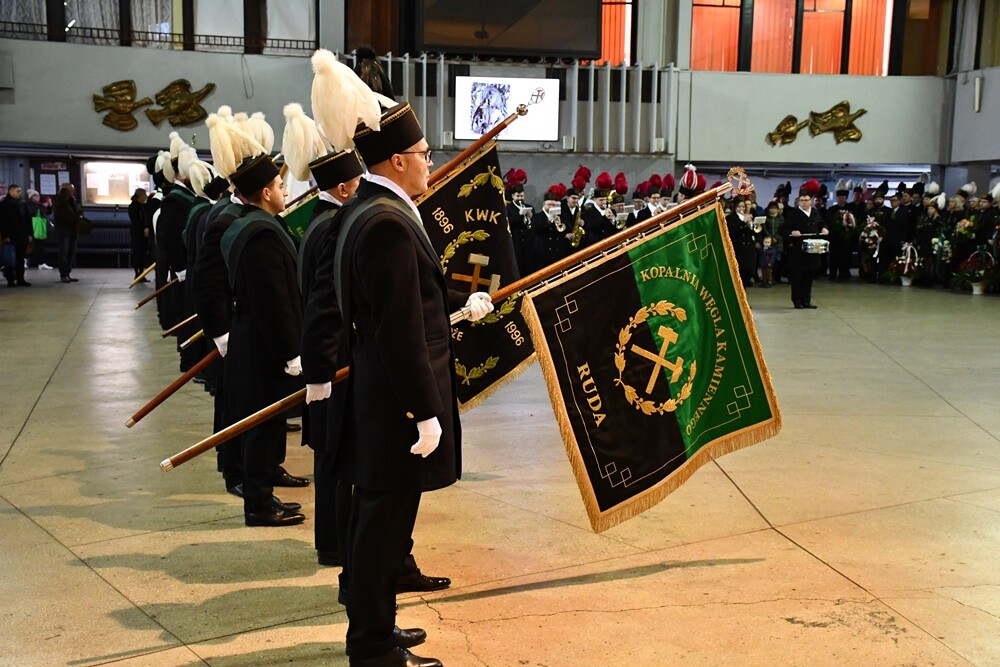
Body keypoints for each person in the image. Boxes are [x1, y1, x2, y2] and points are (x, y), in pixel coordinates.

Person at [310, 86, 493, 661]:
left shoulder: (366, 211)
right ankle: (371, 645)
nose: (430, 161)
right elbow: (396, 330)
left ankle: (378, 628)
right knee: (379, 527)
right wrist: (425, 410)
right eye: (425, 152)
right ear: (397, 161)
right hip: (395, 405)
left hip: (380, 396)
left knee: (379, 523)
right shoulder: (386, 221)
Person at [221, 152, 307, 527]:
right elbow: (274, 300)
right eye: (280, 185)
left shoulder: (250, 224)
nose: (285, 190)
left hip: (254, 336)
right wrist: (291, 351)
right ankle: (257, 504)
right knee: (261, 421)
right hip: (263, 342)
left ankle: (264, 495)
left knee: (266, 420)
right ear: (266, 192)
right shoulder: (261, 234)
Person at [780, 190, 829, 309]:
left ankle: (806, 300)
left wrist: (824, 229)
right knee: (797, 277)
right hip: (798, 251)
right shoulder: (793, 214)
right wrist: (792, 232)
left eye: (806, 200)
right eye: (802, 201)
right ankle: (797, 301)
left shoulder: (815, 213)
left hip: (812, 250)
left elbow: (822, 223)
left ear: (811, 201)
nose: (804, 203)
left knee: (809, 277)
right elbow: (782, 230)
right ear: (798, 202)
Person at [0, 183, 32, 287]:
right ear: (11, 192)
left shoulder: (22, 204)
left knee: (20, 258)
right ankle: (10, 280)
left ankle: (20, 279)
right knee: (10, 259)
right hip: (11, 236)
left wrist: (29, 234)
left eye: (20, 191)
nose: (20, 193)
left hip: (22, 235)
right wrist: (5, 236)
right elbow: (3, 222)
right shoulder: (4, 205)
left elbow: (28, 220)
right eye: (17, 191)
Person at [726, 198, 757, 288]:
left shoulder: (748, 216)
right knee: (739, 272)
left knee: (748, 271)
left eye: (743, 206)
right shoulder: (730, 218)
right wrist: (743, 223)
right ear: (735, 207)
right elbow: (733, 230)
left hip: (748, 249)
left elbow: (754, 232)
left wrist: (751, 224)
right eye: (739, 207)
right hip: (738, 248)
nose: (741, 209)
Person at [53, 183, 80, 283]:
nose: (73, 192)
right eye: (70, 190)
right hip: (64, 230)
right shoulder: (60, 202)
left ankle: (68, 273)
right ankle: (63, 274)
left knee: (71, 252)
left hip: (73, 229)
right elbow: (60, 216)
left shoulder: (73, 201)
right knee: (64, 252)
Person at [128, 188, 149, 281]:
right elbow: (137, 220)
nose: (146, 197)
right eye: (145, 195)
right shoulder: (134, 206)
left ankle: (141, 274)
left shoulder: (143, 206)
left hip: (142, 233)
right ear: (140, 196)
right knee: (137, 254)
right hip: (137, 233)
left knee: (142, 254)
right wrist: (144, 227)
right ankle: (138, 274)